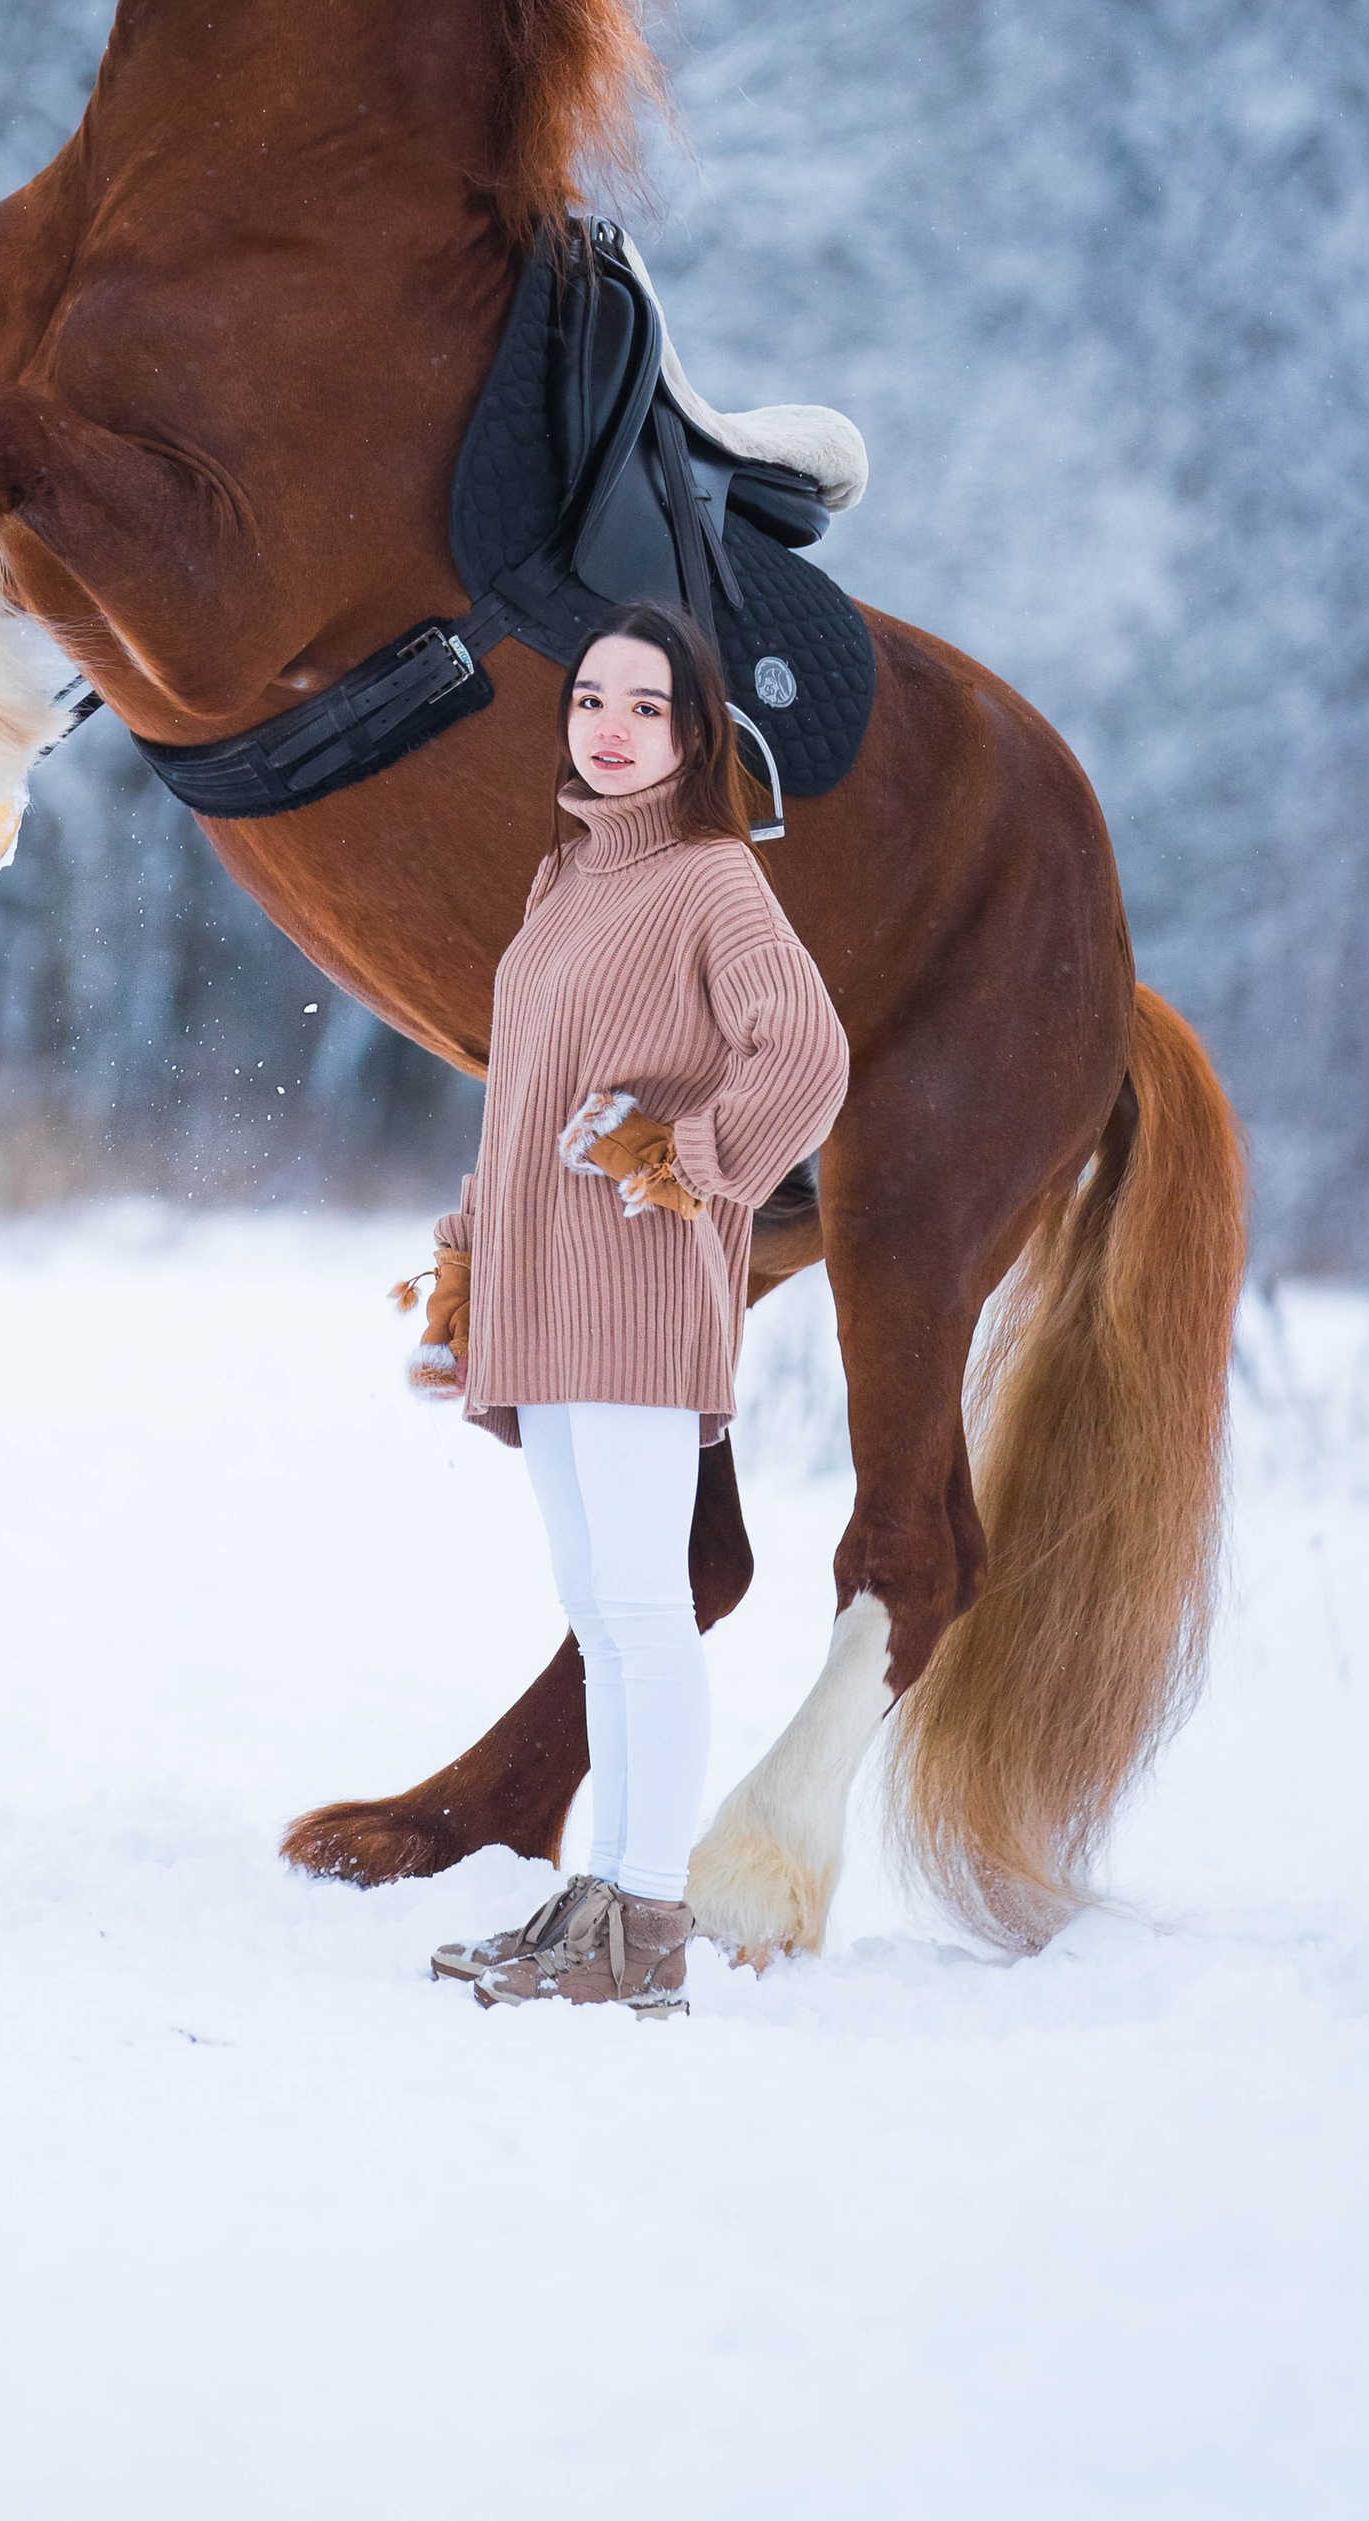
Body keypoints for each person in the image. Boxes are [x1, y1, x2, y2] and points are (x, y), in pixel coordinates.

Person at [404, 602, 849, 2016]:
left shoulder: (716, 879)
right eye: (592, 697)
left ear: (695, 731)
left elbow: (810, 1053)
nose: (608, 724)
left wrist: (694, 1160)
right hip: (546, 1285)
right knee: (598, 1608)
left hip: (643, 1285)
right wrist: (469, 1263)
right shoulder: (562, 881)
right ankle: (602, 1895)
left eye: (645, 706)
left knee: (646, 1604)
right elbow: (518, 1098)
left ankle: (646, 1922)